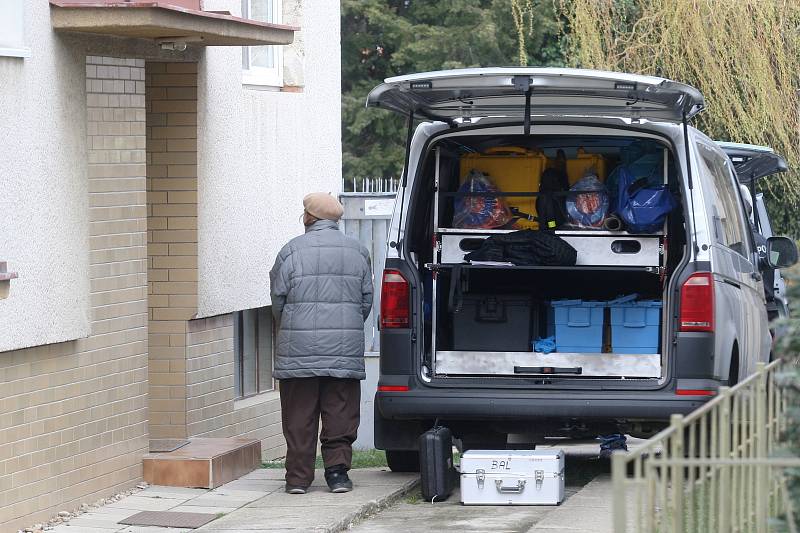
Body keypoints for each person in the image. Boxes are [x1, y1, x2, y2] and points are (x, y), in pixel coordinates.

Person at [270, 193, 373, 494]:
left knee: (299, 416)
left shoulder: (290, 251)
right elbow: (366, 301)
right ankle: (338, 474)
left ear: (309, 217)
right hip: (343, 350)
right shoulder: (357, 251)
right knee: (340, 412)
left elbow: (278, 298)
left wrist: (291, 325)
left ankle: (298, 479)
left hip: (297, 351)